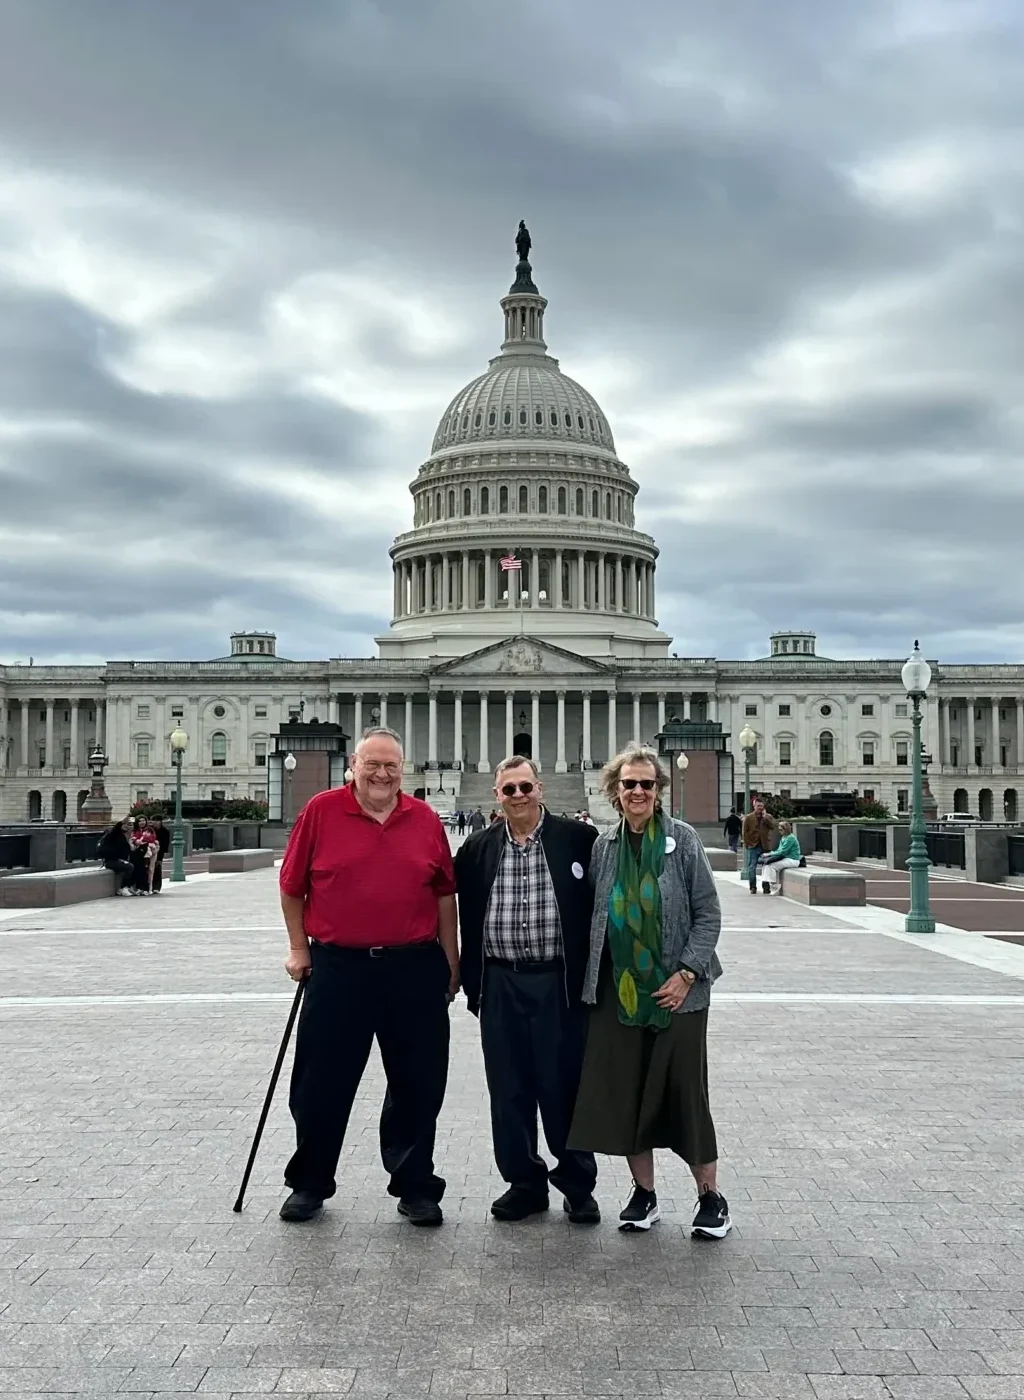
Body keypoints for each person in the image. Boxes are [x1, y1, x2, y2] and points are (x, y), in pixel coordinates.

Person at [277, 726, 459, 1227]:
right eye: (372, 764)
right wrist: (298, 947)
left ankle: (415, 1185)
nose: (381, 774)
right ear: (353, 765)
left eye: (391, 766)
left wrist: (452, 960)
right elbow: (292, 885)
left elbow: (445, 895)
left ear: (404, 770)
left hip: (414, 965)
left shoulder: (424, 818)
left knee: (418, 1083)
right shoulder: (322, 811)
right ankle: (310, 1182)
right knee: (321, 1082)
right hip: (339, 965)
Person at [569, 744, 731, 1240]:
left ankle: (710, 1198)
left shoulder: (682, 842)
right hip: (620, 995)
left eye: (646, 784)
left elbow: (708, 914)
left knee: (685, 1095)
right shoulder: (604, 847)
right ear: (615, 792)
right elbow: (598, 916)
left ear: (659, 790)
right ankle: (644, 1194)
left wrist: (686, 973)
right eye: (629, 784)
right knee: (628, 1094)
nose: (637, 792)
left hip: (677, 995)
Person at [455, 757, 601, 1223]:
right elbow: (441, 902)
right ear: (496, 795)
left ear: (540, 789)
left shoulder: (579, 840)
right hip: (500, 981)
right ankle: (524, 1183)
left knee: (564, 1086)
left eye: (524, 787)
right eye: (508, 790)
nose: (517, 796)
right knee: (509, 1088)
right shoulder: (477, 848)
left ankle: (577, 1185)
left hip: (558, 982)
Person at [741, 796, 778, 894]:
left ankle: (766, 887)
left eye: (761, 806)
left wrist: (765, 817)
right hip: (753, 845)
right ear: (754, 806)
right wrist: (747, 844)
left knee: (766, 867)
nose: (760, 808)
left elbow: (773, 826)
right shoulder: (748, 818)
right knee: (752, 866)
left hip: (765, 845)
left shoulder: (767, 817)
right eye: (758, 806)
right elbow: (744, 832)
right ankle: (753, 887)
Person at [757, 820, 802, 893]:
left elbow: (783, 851)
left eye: (781, 830)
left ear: (786, 829)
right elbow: (779, 850)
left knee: (771, 865)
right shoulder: (784, 838)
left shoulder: (790, 838)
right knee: (766, 864)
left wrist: (769, 854)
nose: (779, 831)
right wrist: (771, 853)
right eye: (779, 829)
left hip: (792, 860)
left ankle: (774, 885)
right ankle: (767, 884)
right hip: (786, 858)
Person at [98, 817, 135, 894]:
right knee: (129, 867)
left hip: (119, 860)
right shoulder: (113, 835)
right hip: (111, 861)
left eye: (128, 825)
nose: (126, 826)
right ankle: (122, 888)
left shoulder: (123, 837)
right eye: (124, 825)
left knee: (135, 865)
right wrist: (121, 822)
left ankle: (128, 886)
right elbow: (116, 829)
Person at [150, 816, 170, 892]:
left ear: (160, 822)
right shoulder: (150, 830)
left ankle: (156, 887)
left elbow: (164, 846)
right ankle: (148, 886)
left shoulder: (165, 832)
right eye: (153, 820)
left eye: (156, 821)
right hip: (149, 851)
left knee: (157, 868)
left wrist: (160, 858)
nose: (154, 822)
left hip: (159, 852)